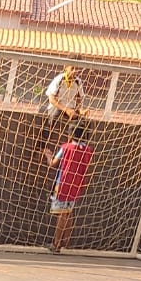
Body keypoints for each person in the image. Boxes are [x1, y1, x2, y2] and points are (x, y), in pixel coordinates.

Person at [48, 124, 94, 252]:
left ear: (69, 135)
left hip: (63, 184)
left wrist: (48, 155)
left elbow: (53, 164)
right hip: (76, 185)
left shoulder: (65, 148)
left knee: (61, 215)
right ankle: (66, 243)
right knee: (69, 213)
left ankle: (56, 244)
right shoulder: (88, 150)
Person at [41, 65, 85, 163]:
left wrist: (80, 110)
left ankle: (70, 149)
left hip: (71, 108)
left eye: (77, 68)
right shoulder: (59, 79)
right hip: (58, 106)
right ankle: (43, 147)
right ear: (66, 68)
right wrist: (66, 109)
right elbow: (52, 99)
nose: (75, 71)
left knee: (79, 124)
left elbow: (79, 99)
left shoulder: (78, 81)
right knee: (51, 118)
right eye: (72, 68)